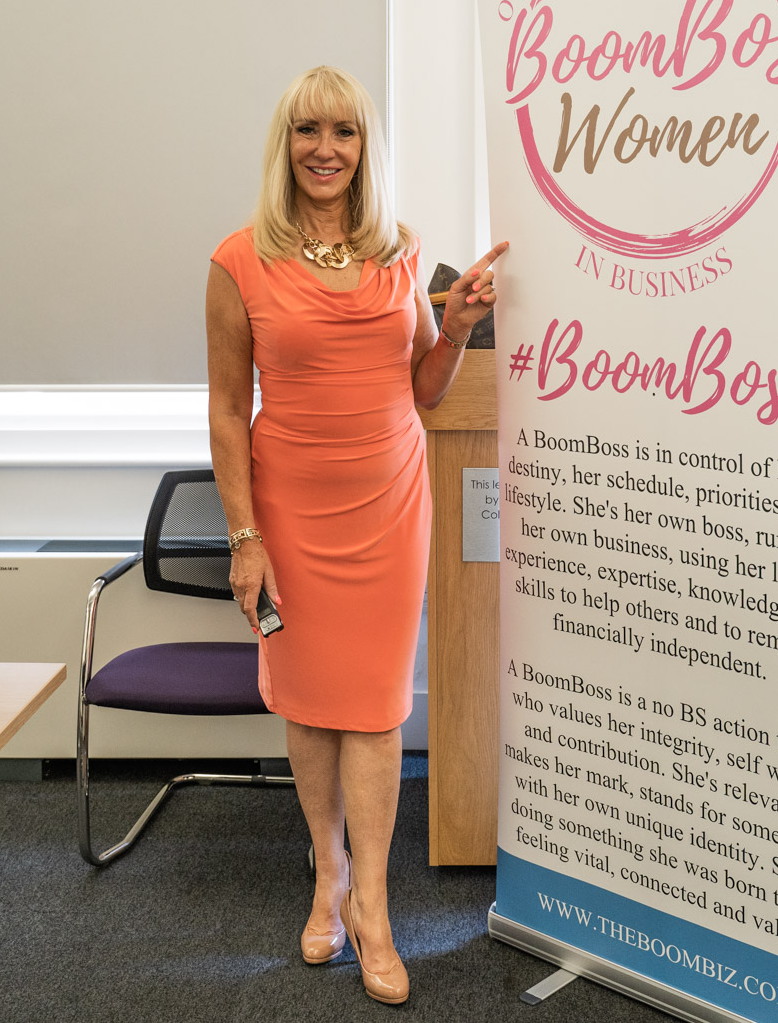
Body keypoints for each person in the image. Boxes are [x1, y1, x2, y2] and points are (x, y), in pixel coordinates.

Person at [206, 65, 506, 1006]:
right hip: (289, 510)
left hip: (389, 504)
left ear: (365, 145)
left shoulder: (398, 250)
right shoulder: (238, 261)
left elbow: (423, 389)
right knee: (307, 703)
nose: (325, 148)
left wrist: (457, 328)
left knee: (376, 707)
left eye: (343, 131)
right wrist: (244, 537)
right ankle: (326, 874)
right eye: (308, 130)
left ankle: (371, 903)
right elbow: (226, 412)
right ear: (285, 144)